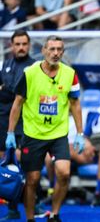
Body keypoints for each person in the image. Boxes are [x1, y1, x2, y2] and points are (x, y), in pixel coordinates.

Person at [6, 35, 85, 222]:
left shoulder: (70, 74)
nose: (55, 53)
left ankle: (55, 215)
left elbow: (75, 104)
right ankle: (30, 219)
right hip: (33, 134)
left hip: (58, 134)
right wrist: (10, 132)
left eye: (59, 50)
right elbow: (18, 103)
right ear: (43, 51)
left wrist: (80, 133)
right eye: (52, 49)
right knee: (32, 180)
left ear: (63, 52)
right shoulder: (30, 73)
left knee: (64, 173)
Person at [0, 30, 36, 220]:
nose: (21, 47)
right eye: (17, 44)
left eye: (24, 44)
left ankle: (34, 203)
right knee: (6, 168)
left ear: (29, 45)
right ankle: (12, 209)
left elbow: (16, 92)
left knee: (26, 166)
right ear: (12, 46)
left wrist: (7, 90)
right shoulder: (6, 65)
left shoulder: (35, 67)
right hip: (4, 122)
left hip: (27, 123)